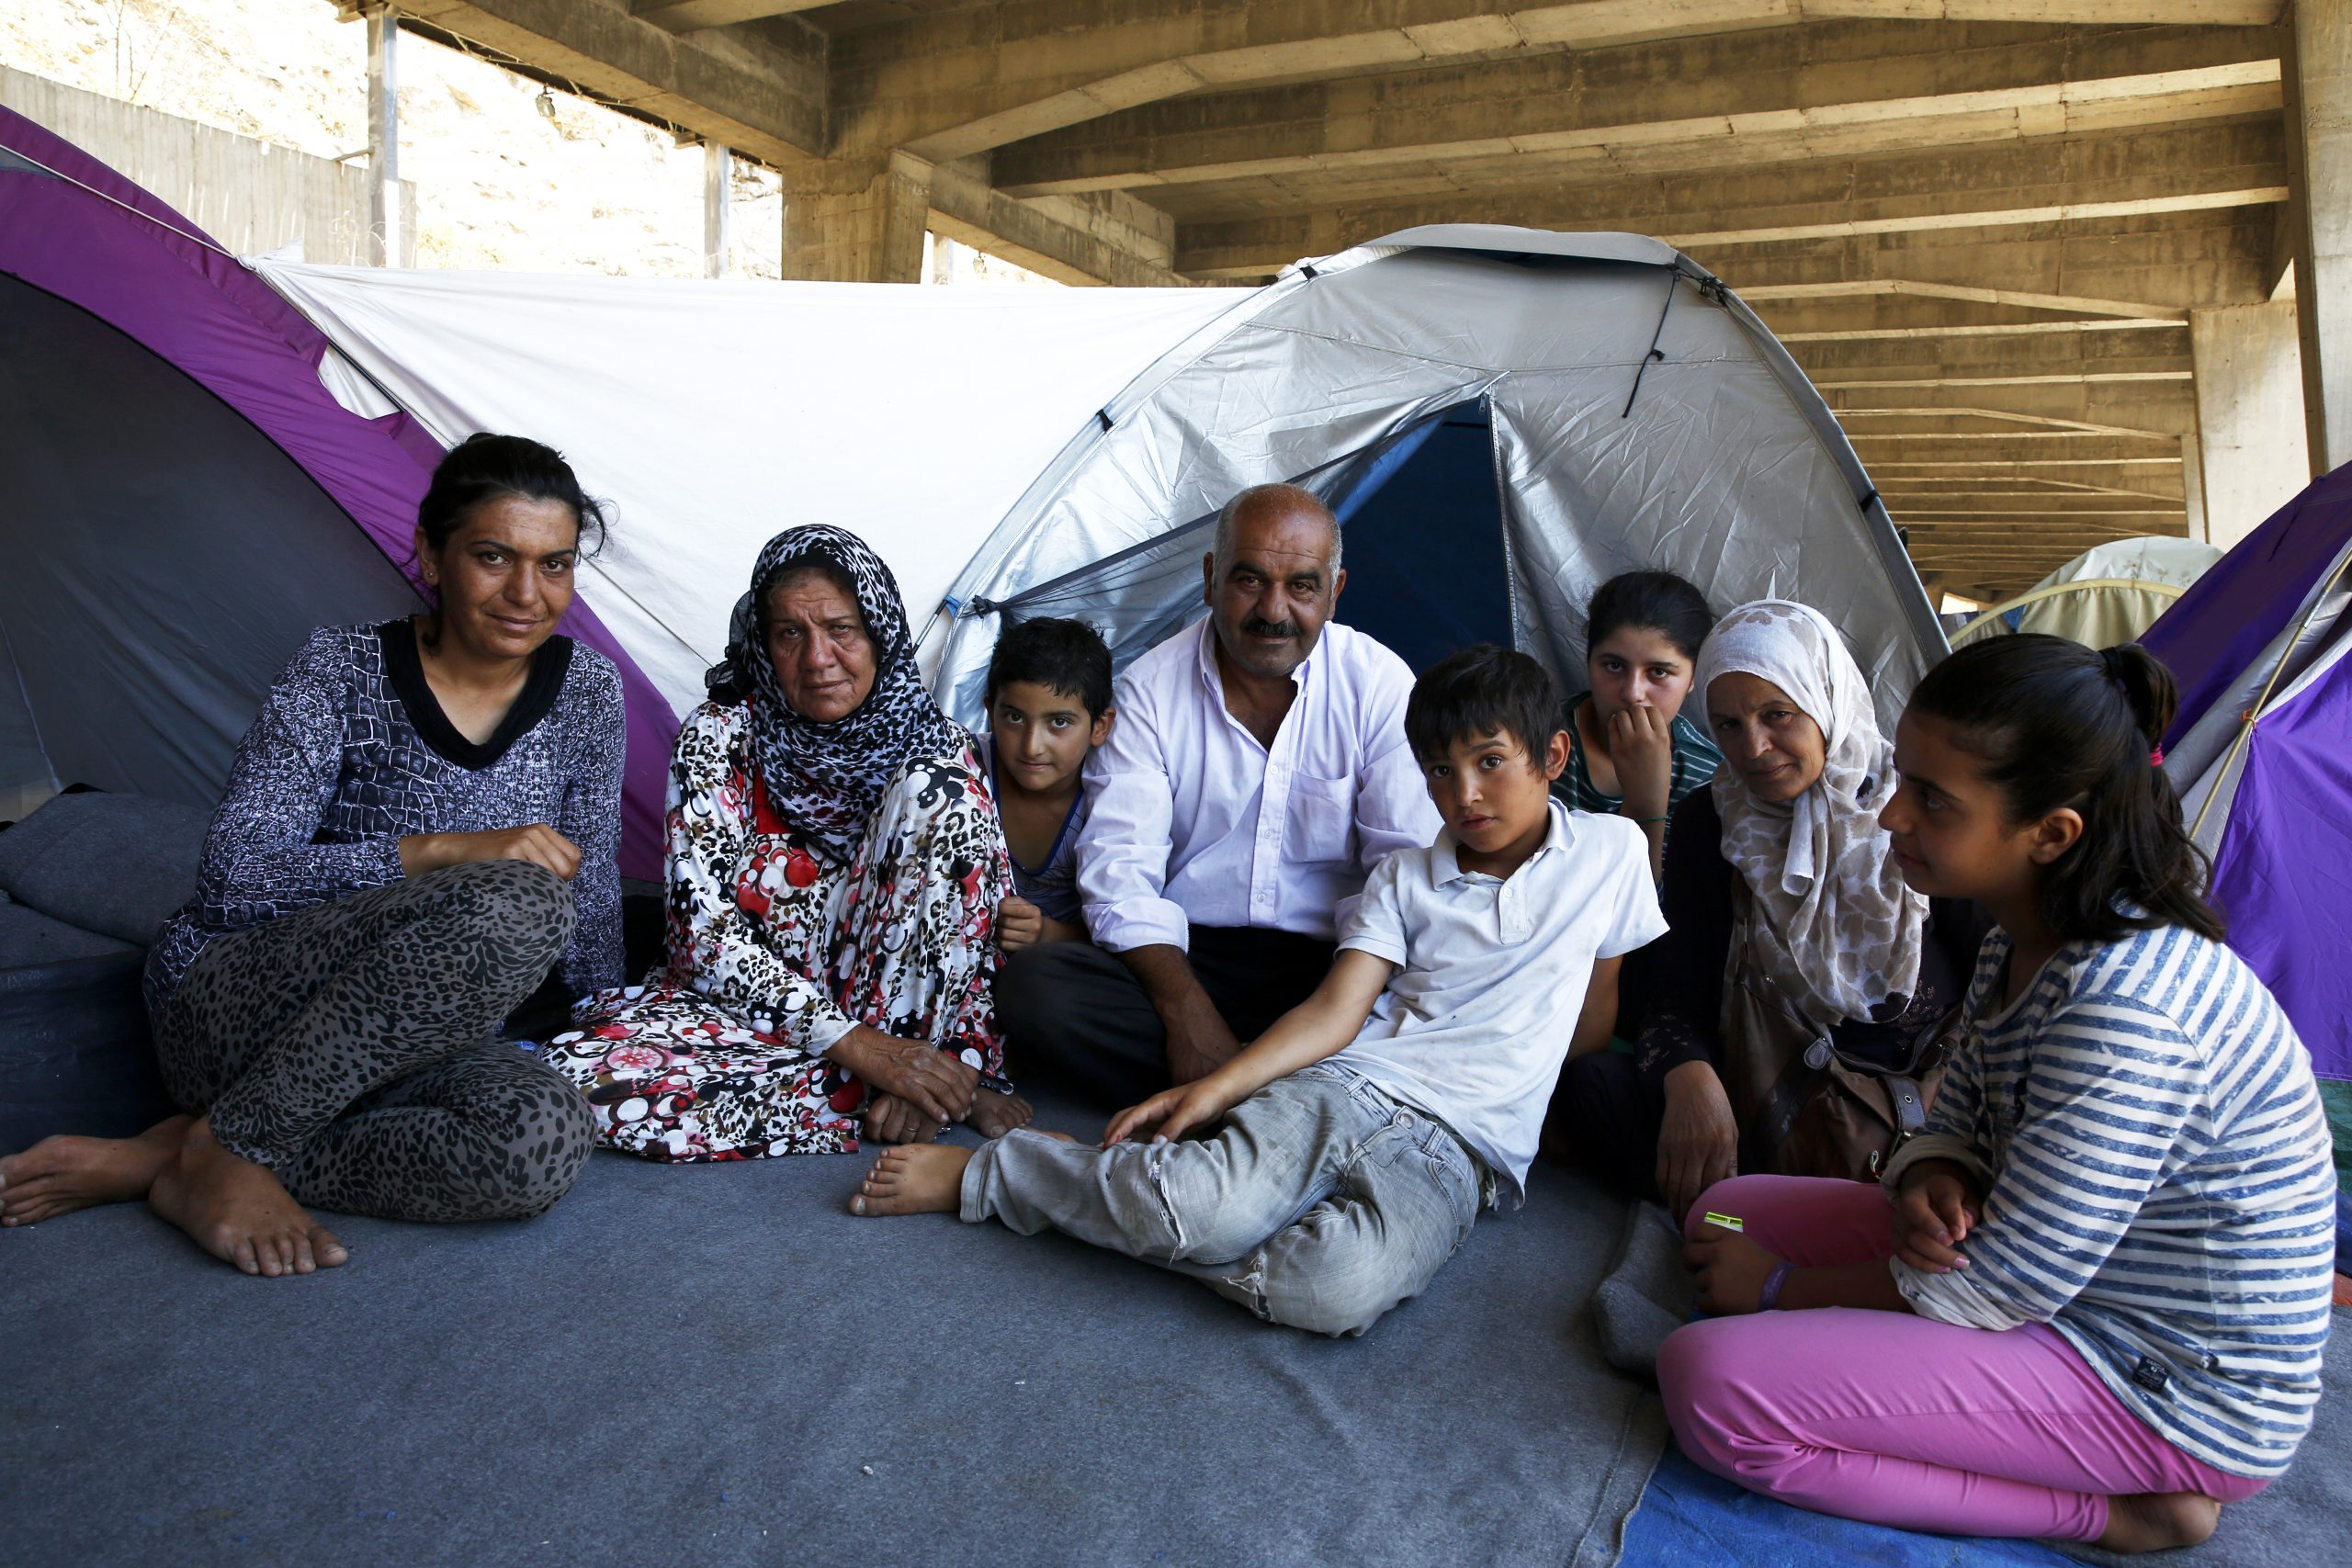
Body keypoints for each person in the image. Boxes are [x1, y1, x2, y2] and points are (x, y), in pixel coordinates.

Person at [1660, 635, 2335, 1552]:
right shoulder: (2018, 942)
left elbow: (1997, 1286)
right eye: (1901, 779)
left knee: (1709, 1382)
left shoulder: (2126, 1012)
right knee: (1725, 1217)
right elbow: (1967, 1106)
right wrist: (1940, 1170)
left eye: (1931, 800)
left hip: (2160, 1380)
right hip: (2054, 1280)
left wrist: (1781, 1289)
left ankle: (2126, 1512)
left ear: (2051, 834)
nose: (1890, 814)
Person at [846, 646, 1664, 1337]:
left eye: (1491, 762)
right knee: (1211, 1210)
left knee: (1333, 1290)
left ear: (1551, 759)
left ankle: (1118, 1189)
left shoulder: (1614, 850)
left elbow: (1594, 1013)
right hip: (1348, 1085)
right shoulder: (1407, 875)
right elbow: (1337, 1011)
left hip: (1459, 1149)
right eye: (1441, 772)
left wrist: (1530, 1099)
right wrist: (1210, 1091)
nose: (1465, 795)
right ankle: (997, 1177)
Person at [0, 434, 622, 1275]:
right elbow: (232, 881)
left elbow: (595, 883)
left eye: (554, 564)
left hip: (418, 1034)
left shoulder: (588, 689)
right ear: (430, 555)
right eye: (492, 556)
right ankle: (236, 1146)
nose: (526, 592)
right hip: (243, 1002)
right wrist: (440, 850)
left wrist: (607, 1027)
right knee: (516, 899)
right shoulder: (340, 670)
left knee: (540, 1142)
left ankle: (181, 1152)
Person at [540, 525, 1026, 1158]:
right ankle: (920, 1090)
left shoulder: (941, 750)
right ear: (763, 645)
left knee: (942, 789)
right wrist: (864, 1049)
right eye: (790, 633)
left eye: (841, 629)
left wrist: (936, 1041)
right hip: (753, 1019)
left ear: (880, 632)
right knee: (574, 1074)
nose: (818, 657)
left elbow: (974, 941)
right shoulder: (722, 736)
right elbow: (701, 938)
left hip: (908, 1022)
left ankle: (920, 1078)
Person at [994, 483, 1439, 1109]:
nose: (1274, 610)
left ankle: (1227, 1089)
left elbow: (1404, 875)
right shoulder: (1149, 690)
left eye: (1302, 586)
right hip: (1185, 962)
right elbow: (1120, 874)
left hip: (1332, 969)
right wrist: (1185, 1013)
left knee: (1428, 1009)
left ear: (1335, 592)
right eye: (1250, 580)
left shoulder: (1380, 686)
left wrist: (1340, 1002)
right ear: (1210, 578)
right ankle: (1291, 1097)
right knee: (1037, 987)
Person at [1574, 600, 1987, 1218]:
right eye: (1729, 725)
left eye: (1777, 714)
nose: (1755, 747)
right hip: (1769, 1087)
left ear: (1826, 700)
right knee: (1590, 1088)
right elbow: (1675, 988)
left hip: (1922, 1105)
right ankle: (1793, 1205)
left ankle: (1776, 1208)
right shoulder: (1712, 819)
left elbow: (2001, 984)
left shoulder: (1914, 807)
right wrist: (1690, 1077)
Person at [1555, 570, 1722, 882]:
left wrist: (1647, 804)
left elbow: (1658, 915)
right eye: (1614, 666)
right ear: (1589, 661)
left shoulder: (1706, 778)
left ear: (1693, 679)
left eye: (1658, 672)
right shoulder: (1539, 738)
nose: (1633, 693)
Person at [981, 616, 1114, 954]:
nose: (1031, 746)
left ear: (1100, 726)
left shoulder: (1108, 803)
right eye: (1014, 717)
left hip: (1055, 973)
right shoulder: (965, 772)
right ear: (989, 712)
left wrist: (1047, 935)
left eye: (1058, 722)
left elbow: (1125, 923)